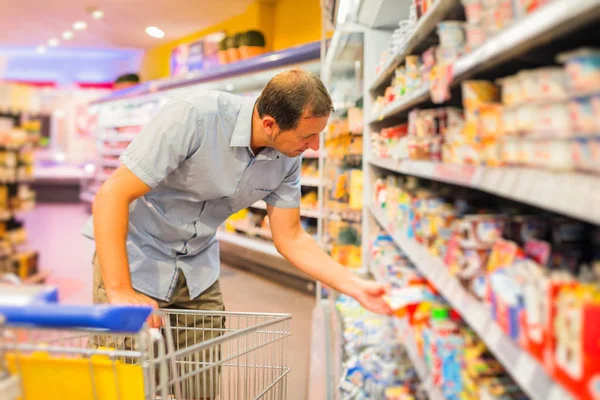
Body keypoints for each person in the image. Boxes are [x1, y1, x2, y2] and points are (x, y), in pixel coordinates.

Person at [83, 68, 391, 395]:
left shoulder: (287, 157)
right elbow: (111, 195)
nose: (314, 146)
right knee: (129, 385)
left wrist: (355, 286)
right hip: (134, 259)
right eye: (307, 137)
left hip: (197, 268)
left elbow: (291, 237)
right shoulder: (193, 117)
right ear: (270, 124)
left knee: (200, 385)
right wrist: (119, 290)